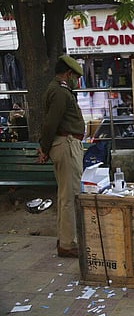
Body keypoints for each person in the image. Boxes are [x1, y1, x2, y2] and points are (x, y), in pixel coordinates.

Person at [37, 55, 85, 258]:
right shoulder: (60, 93)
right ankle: (67, 243)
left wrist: (45, 148)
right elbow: (51, 123)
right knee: (70, 197)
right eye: (75, 76)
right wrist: (44, 149)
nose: (76, 80)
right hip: (66, 145)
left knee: (65, 195)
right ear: (68, 74)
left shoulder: (57, 90)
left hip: (64, 144)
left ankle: (65, 238)